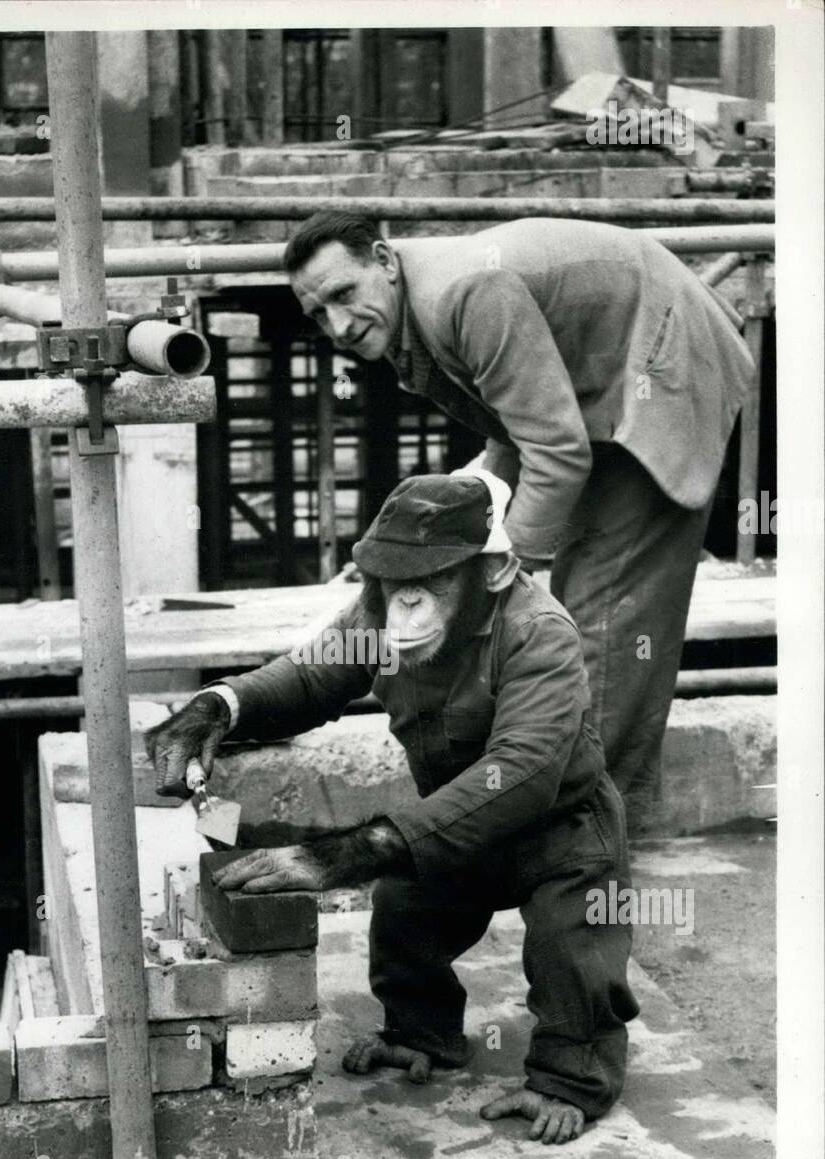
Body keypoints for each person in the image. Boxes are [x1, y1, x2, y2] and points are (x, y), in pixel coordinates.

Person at [146, 472, 640, 1144]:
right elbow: (310, 676)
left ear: (492, 572)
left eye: (427, 584)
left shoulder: (536, 633)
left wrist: (347, 853)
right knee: (404, 916)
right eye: (387, 583)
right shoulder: (382, 618)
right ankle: (424, 1035)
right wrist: (216, 707)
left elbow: (518, 776)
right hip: (454, 822)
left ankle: (573, 1078)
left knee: (570, 953)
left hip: (563, 831)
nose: (401, 606)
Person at [283, 212, 757, 831]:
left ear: (384, 261)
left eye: (345, 295)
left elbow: (557, 453)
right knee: (576, 613)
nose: (338, 326)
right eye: (319, 314)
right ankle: (580, 818)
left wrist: (493, 574)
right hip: (603, 381)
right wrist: (437, 541)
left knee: (604, 619)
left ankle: (585, 835)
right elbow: (512, 431)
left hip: (660, 363)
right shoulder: (418, 308)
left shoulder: (465, 293)